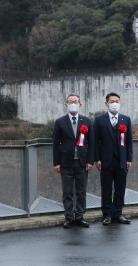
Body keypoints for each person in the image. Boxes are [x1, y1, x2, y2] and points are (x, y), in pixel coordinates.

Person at [53, 94, 94, 229]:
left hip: (82, 162)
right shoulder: (60, 122)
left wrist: (90, 161)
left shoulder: (87, 121)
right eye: (70, 102)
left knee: (81, 191)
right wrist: (56, 162)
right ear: (66, 104)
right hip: (66, 162)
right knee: (67, 191)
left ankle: (80, 216)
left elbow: (91, 144)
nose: (73, 104)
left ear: (80, 104)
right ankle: (69, 217)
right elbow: (55, 144)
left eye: (75, 101)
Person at [94, 92, 133, 225]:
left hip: (121, 160)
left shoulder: (126, 119)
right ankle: (107, 214)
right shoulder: (99, 120)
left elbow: (129, 142)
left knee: (120, 187)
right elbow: (95, 142)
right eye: (112, 101)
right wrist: (97, 159)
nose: (115, 103)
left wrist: (129, 159)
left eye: (117, 101)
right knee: (106, 188)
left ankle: (118, 213)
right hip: (105, 160)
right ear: (107, 104)